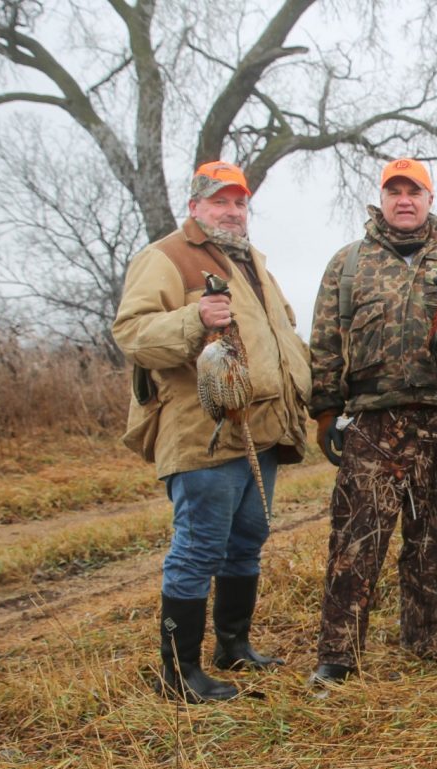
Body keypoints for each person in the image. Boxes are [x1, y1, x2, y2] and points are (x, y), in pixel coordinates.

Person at [113, 160, 311, 702]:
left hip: (262, 430)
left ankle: (233, 648)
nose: (231, 210)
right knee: (198, 550)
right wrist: (194, 318)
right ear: (195, 206)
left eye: (239, 201)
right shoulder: (165, 257)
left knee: (246, 543)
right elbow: (132, 335)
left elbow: (283, 337)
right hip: (202, 431)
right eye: (219, 201)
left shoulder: (251, 262)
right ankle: (180, 675)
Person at [307, 157, 437, 684]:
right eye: (394, 191)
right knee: (356, 537)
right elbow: (325, 343)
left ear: (429, 199)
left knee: (432, 534)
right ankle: (338, 654)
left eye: (413, 191)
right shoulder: (349, 263)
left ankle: (426, 637)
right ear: (382, 198)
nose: (404, 200)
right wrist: (326, 412)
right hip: (374, 421)